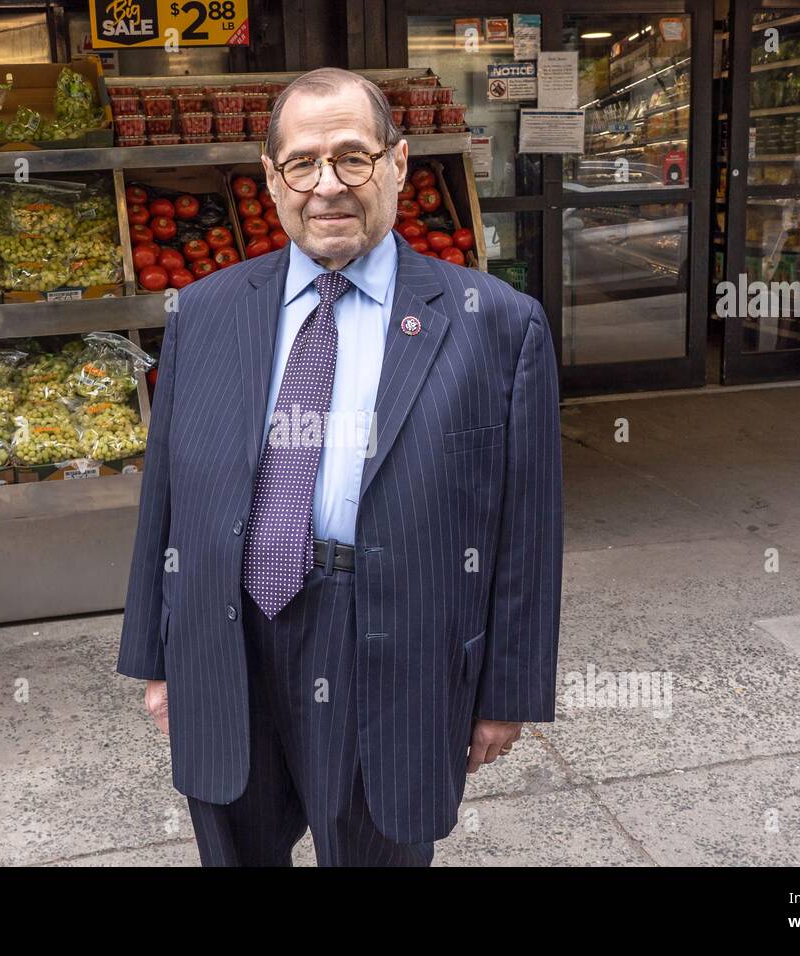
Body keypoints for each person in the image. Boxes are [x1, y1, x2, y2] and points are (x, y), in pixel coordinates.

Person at [116, 67, 564, 867]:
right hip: (231, 635)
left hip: (389, 638)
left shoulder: (495, 324)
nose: (327, 186)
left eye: (353, 158)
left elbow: (527, 530)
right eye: (303, 163)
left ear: (397, 165)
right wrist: (156, 660)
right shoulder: (206, 311)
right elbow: (168, 500)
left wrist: (508, 693)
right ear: (271, 178)